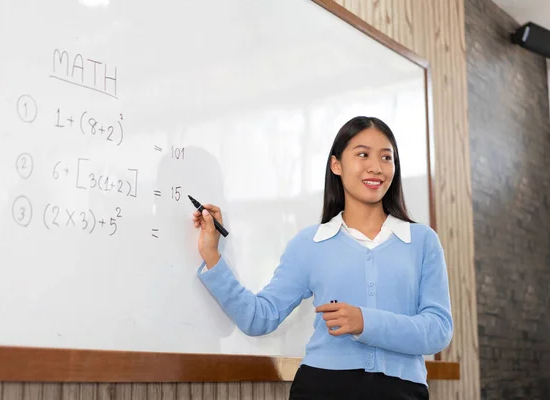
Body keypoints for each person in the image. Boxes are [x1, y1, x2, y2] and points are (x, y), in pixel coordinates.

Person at [191, 116, 453, 400]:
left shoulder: (422, 242)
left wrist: (365, 321)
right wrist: (213, 256)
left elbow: (438, 330)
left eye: (386, 157)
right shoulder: (309, 244)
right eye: (363, 154)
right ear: (336, 165)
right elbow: (259, 317)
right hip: (321, 388)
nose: (376, 167)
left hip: (403, 391)